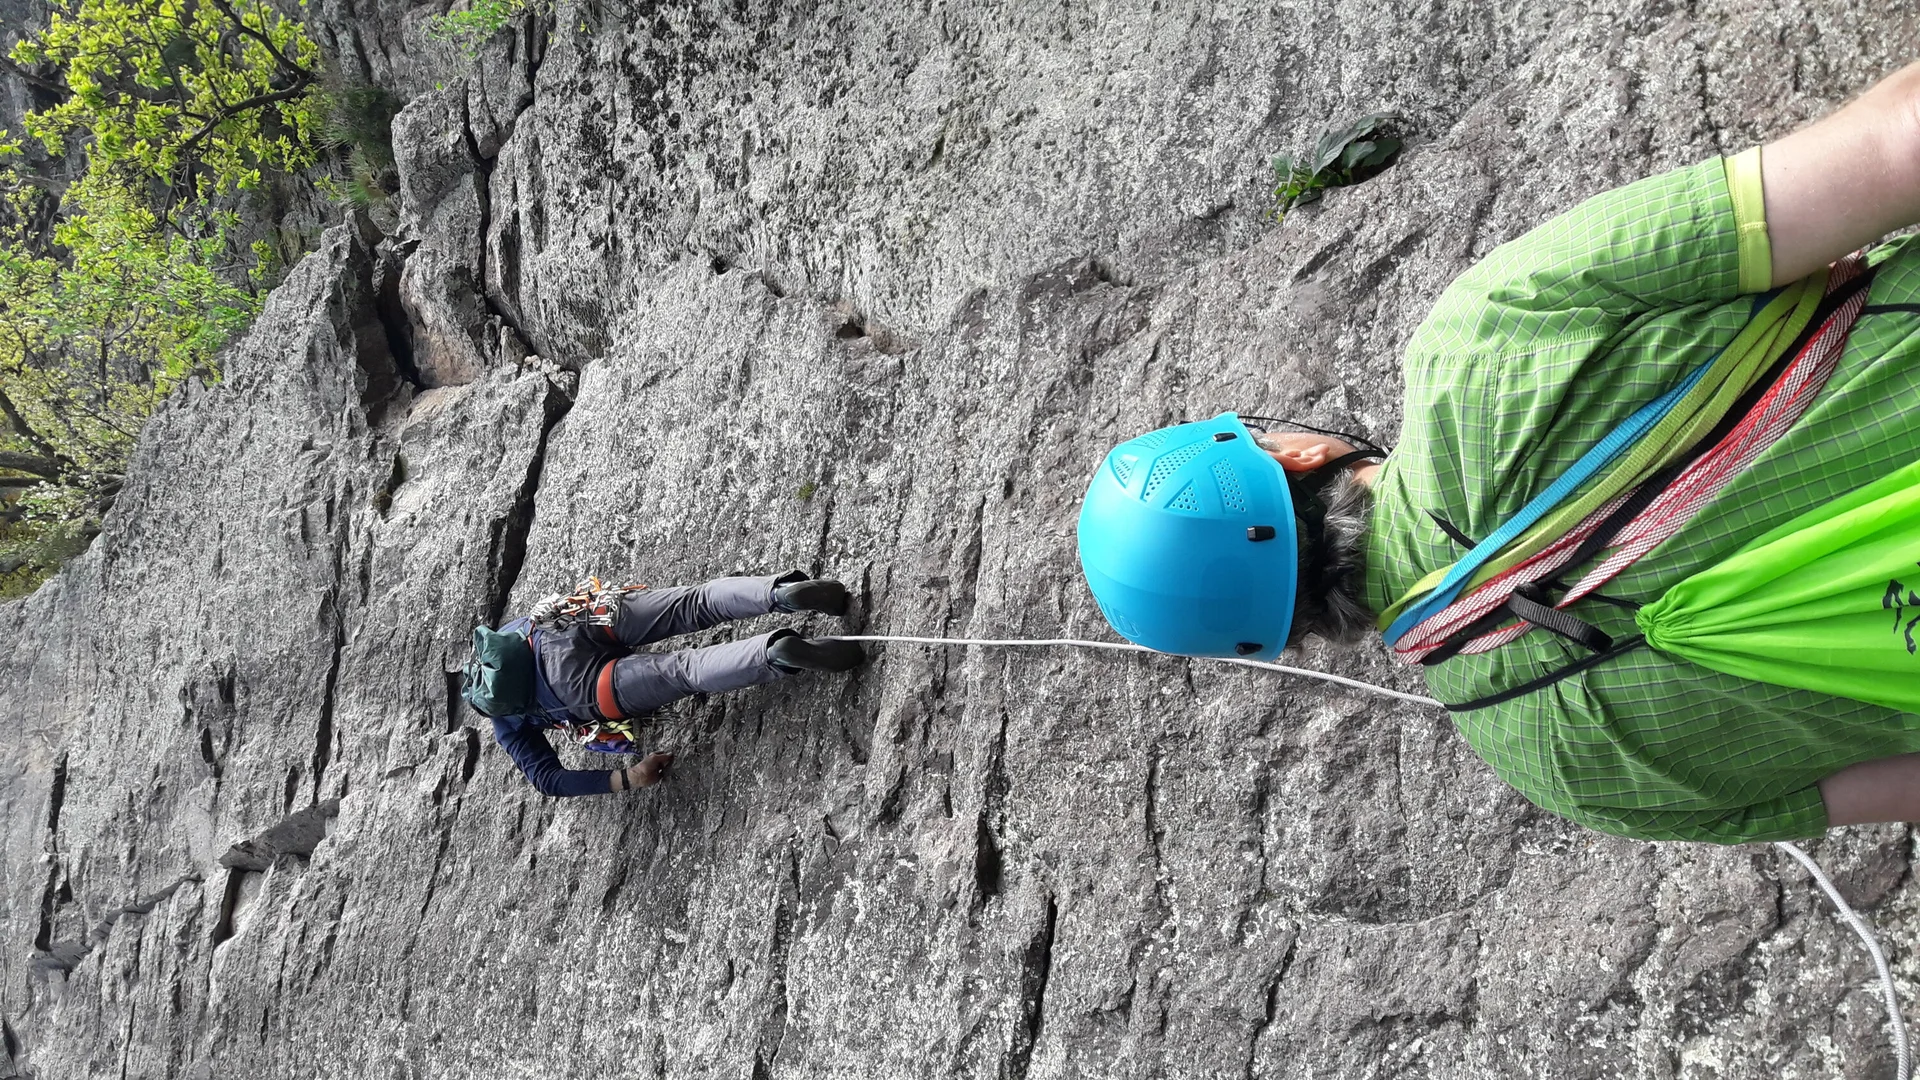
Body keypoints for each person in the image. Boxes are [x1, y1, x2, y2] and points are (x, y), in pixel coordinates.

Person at [1079, 59, 1920, 843]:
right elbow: (1892, 145)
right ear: (1296, 454)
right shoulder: (1484, 337)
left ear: (1282, 634)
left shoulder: (1567, 772)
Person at [474, 572, 865, 797]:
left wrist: (629, 777)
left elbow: (548, 780)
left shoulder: (506, 722)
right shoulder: (508, 634)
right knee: (695, 603)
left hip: (586, 691)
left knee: (686, 671)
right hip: (583, 619)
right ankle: (779, 593)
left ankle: (775, 651)